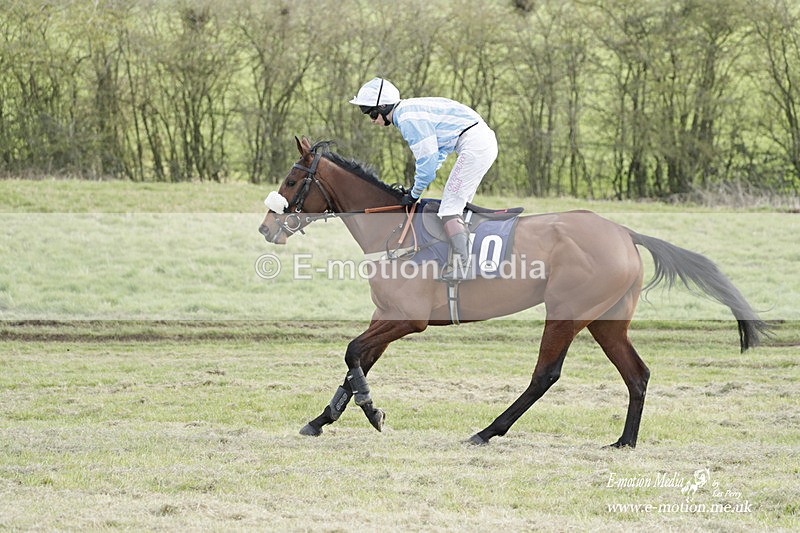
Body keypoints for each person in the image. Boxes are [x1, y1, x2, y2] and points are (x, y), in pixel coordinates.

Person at [349, 77, 498, 281]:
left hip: (475, 144)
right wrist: (416, 187)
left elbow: (427, 163)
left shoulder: (408, 120)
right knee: (455, 205)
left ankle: (463, 266)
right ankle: (461, 255)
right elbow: (437, 154)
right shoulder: (408, 111)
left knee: (450, 208)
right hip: (477, 140)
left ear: (384, 107)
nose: (372, 120)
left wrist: (414, 193)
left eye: (371, 113)